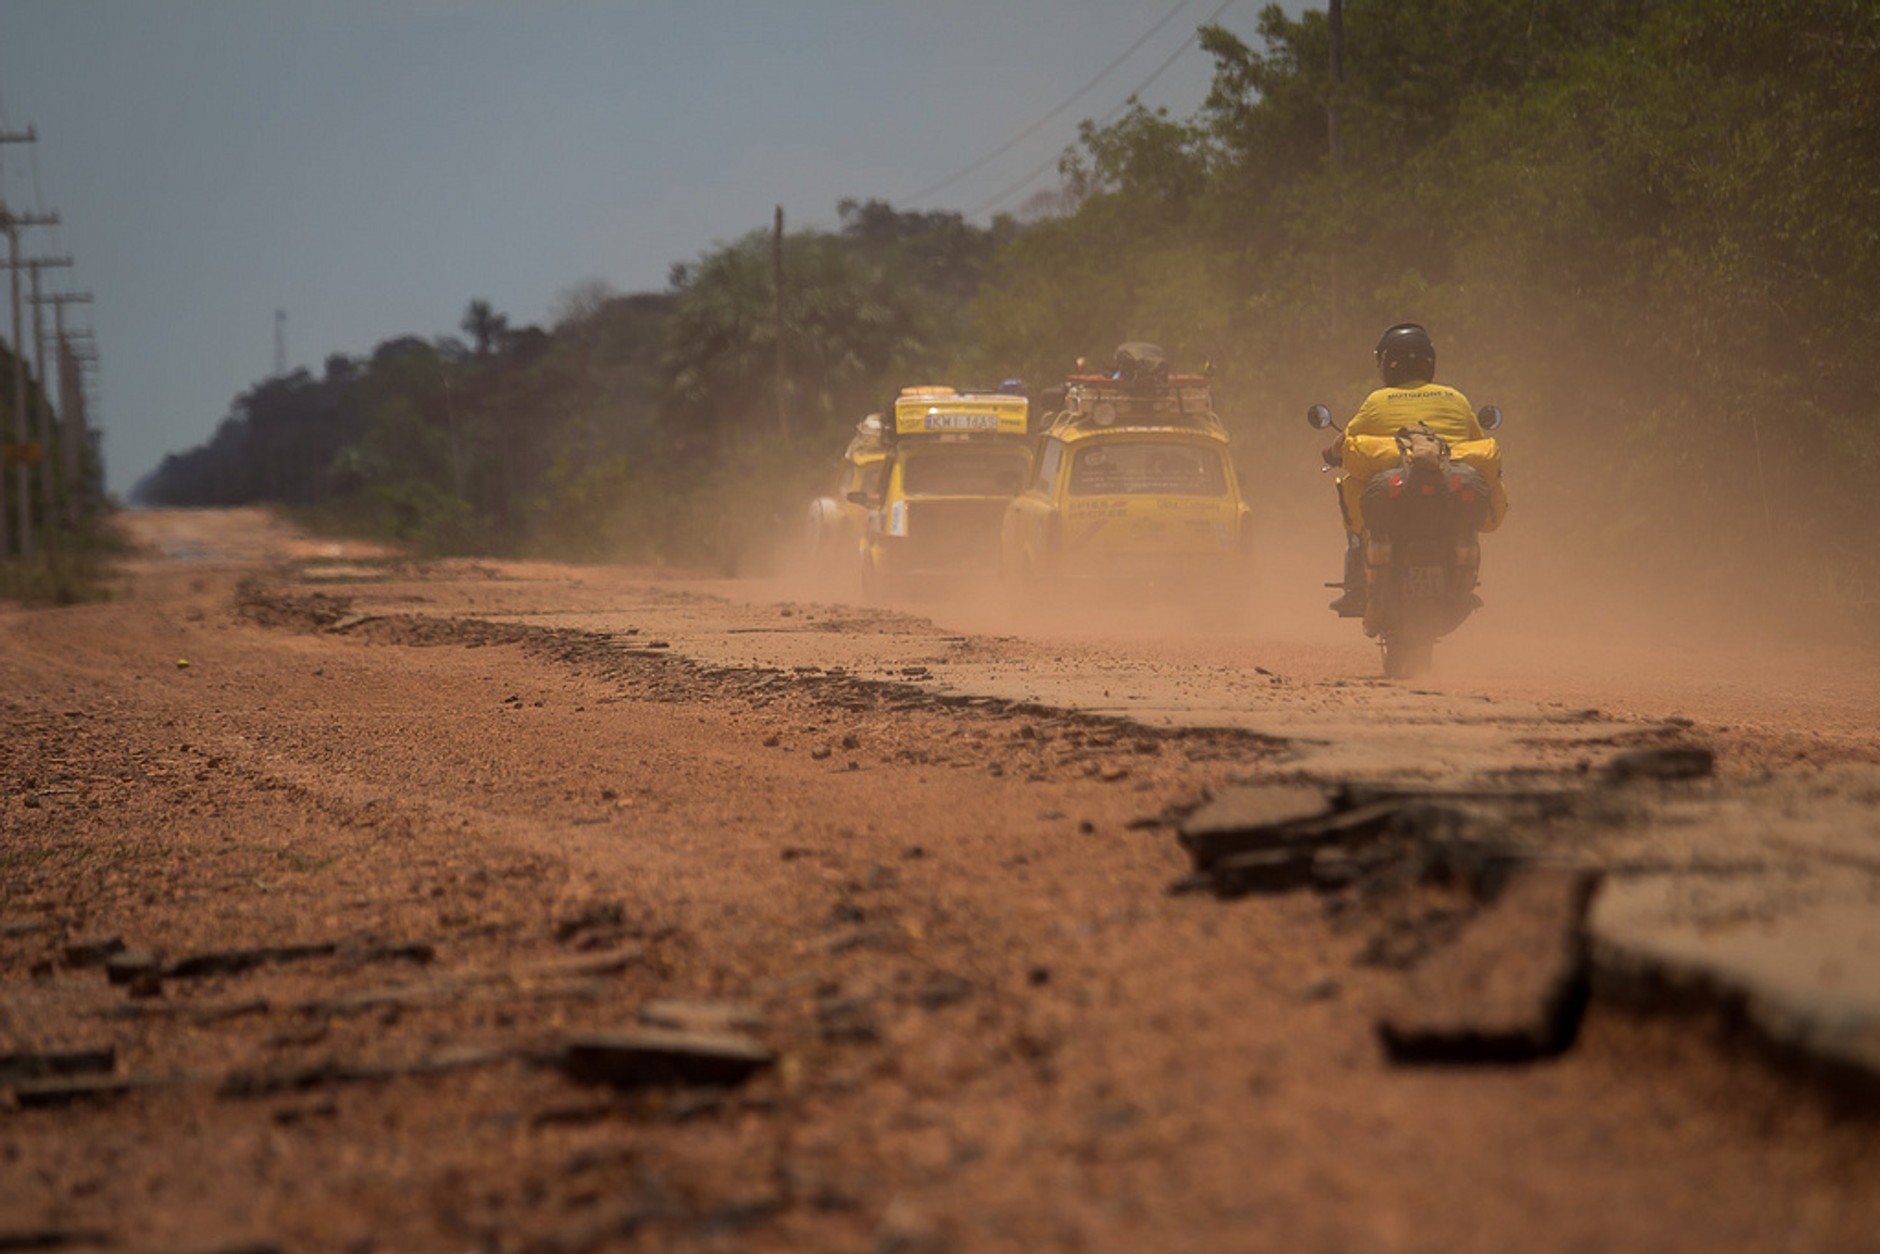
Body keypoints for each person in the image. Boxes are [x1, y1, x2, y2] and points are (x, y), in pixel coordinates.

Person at [1324, 323, 1490, 617]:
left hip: (1397, 498)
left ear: (1387, 363)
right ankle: (1463, 580)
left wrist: (1331, 452)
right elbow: (1478, 444)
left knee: (1353, 488)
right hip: (1447, 494)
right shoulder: (1456, 398)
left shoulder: (1377, 401)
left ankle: (1357, 584)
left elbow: (1346, 442)